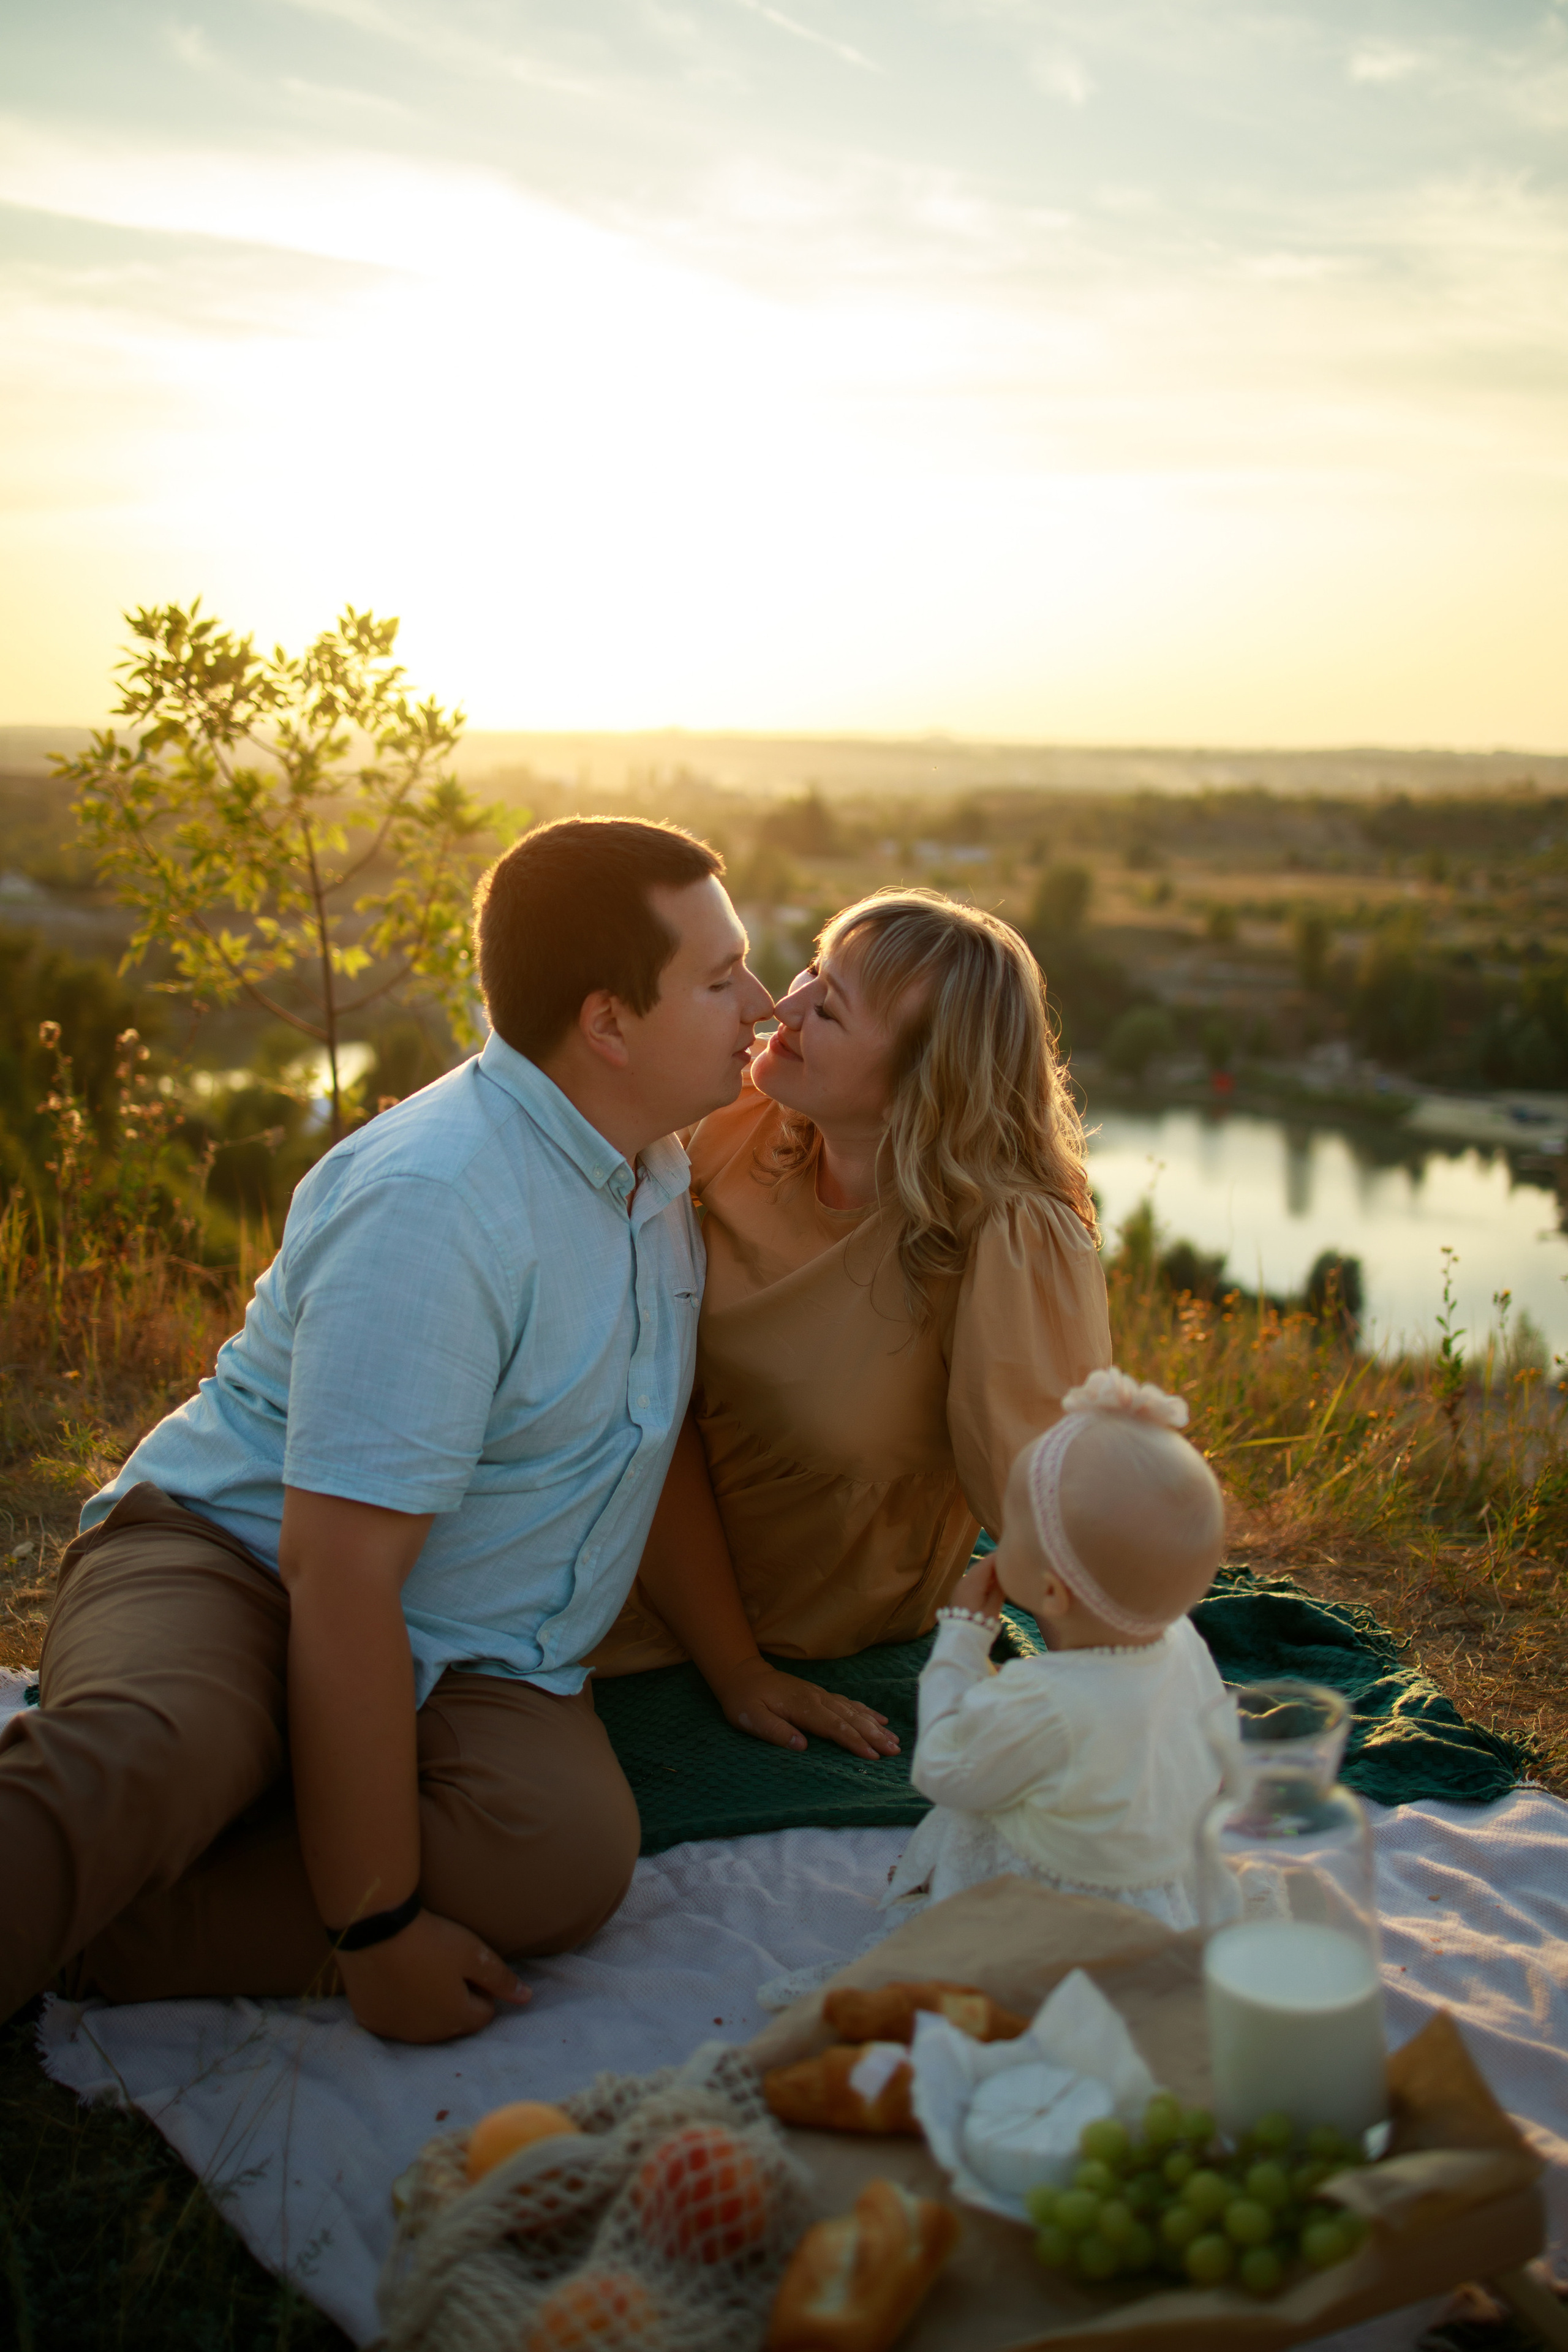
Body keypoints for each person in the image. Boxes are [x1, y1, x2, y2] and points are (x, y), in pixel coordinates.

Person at [0, 816, 886, 2045]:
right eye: (719, 977)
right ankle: (143, 1843)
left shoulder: (650, 1168)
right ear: (607, 1023)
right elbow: (339, 1570)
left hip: (462, 1641)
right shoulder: (438, 1203)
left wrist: (733, 1668)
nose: (762, 1004)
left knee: (560, 1860)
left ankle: (111, 1922)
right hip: (236, 1561)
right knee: (160, 1753)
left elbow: (647, 1437)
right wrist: (371, 1928)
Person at [593, 888, 1112, 1692]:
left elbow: (1045, 1500)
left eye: (828, 1009)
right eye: (810, 969)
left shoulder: (1000, 1238)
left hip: (812, 1621)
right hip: (640, 1549)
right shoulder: (740, 1125)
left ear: (922, 1078)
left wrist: (1143, 1701)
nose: (780, 1004)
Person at [884, 1368, 1229, 1931]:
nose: (998, 1541)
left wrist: (964, 1635)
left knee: (977, 1810)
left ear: (1050, 1591)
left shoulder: (1046, 1699)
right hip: (1158, 1878)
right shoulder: (1184, 1643)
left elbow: (943, 1770)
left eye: (1011, 1533)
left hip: (1061, 1911)